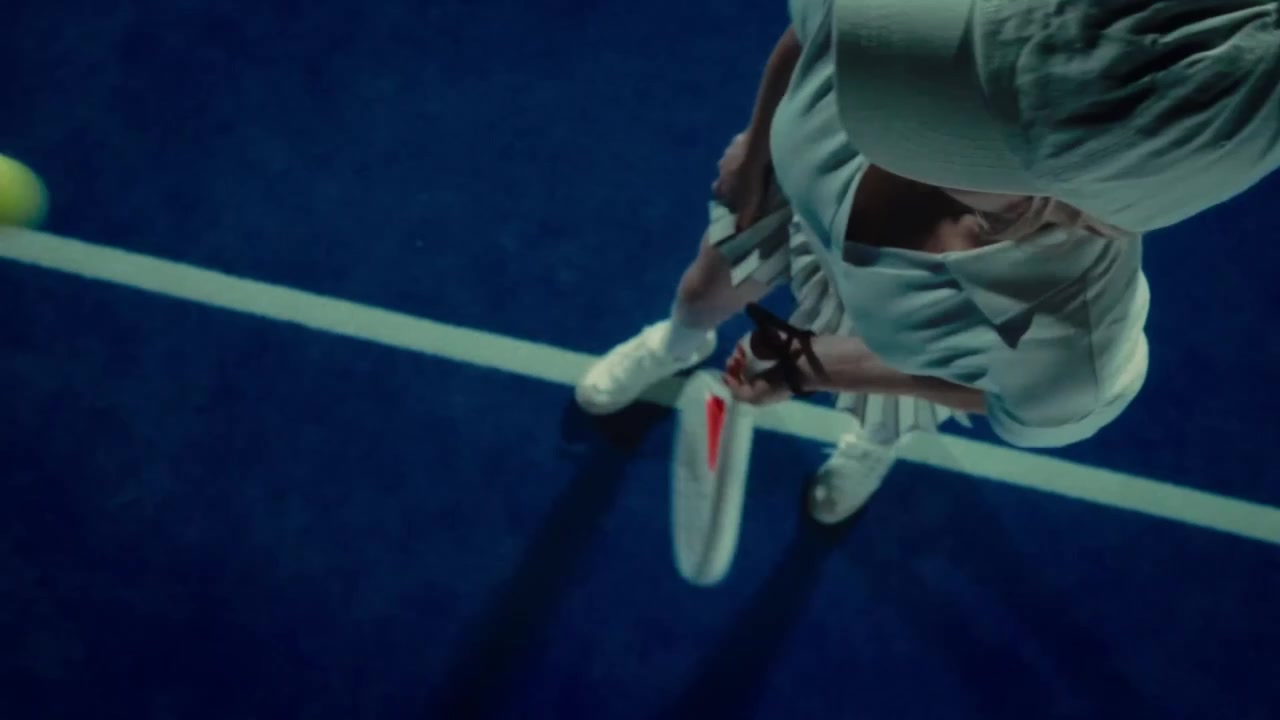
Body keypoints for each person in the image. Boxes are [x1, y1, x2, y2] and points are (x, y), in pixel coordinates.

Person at [575, 0, 1280, 524]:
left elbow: (1002, 398)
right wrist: (757, 153)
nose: (899, 89)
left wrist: (814, 366)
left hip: (898, 330)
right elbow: (821, 31)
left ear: (1081, 211)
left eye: (954, 111)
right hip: (796, 196)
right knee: (702, 292)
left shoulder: (1069, 342)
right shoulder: (927, 24)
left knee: (888, 410)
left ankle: (874, 441)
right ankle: (678, 341)